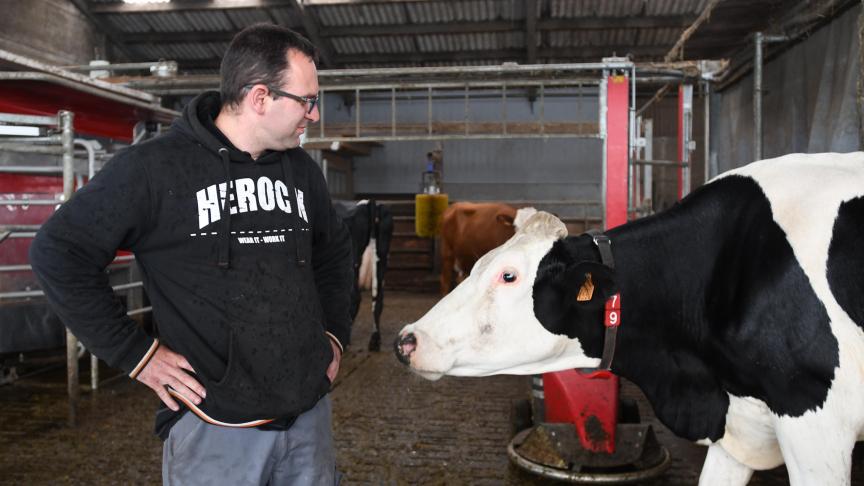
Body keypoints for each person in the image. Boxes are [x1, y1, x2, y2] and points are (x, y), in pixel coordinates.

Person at [30, 24, 352, 485]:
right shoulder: (154, 168)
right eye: (307, 101)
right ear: (260, 97)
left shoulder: (301, 170)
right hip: (214, 430)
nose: (314, 115)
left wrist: (335, 335)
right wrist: (135, 353)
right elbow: (58, 251)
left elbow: (334, 252)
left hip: (308, 422)